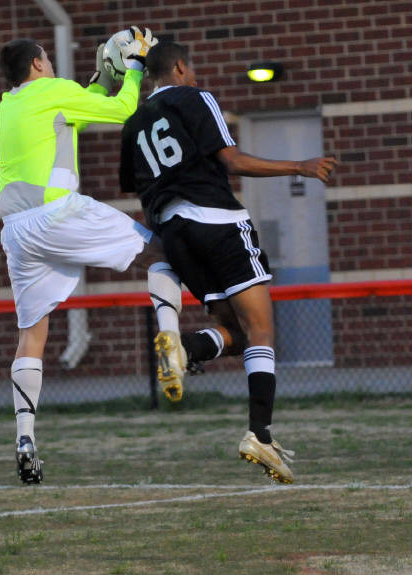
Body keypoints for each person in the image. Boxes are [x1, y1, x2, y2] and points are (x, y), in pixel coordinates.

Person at [119, 41, 338, 484]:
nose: (197, 76)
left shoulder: (134, 122)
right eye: (193, 69)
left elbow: (139, 188)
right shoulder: (195, 97)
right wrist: (299, 166)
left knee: (236, 333)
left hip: (175, 234)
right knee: (262, 330)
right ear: (180, 67)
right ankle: (260, 435)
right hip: (216, 221)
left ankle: (186, 349)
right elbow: (231, 160)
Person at [0, 30, 187, 485]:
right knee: (158, 252)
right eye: (47, 58)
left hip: (17, 230)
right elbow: (123, 110)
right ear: (38, 65)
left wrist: (101, 78)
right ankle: (171, 342)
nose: (50, 64)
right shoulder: (53, 90)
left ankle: (25, 438)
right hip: (57, 213)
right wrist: (134, 67)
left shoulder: (9, 105)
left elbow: (75, 114)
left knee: (32, 334)